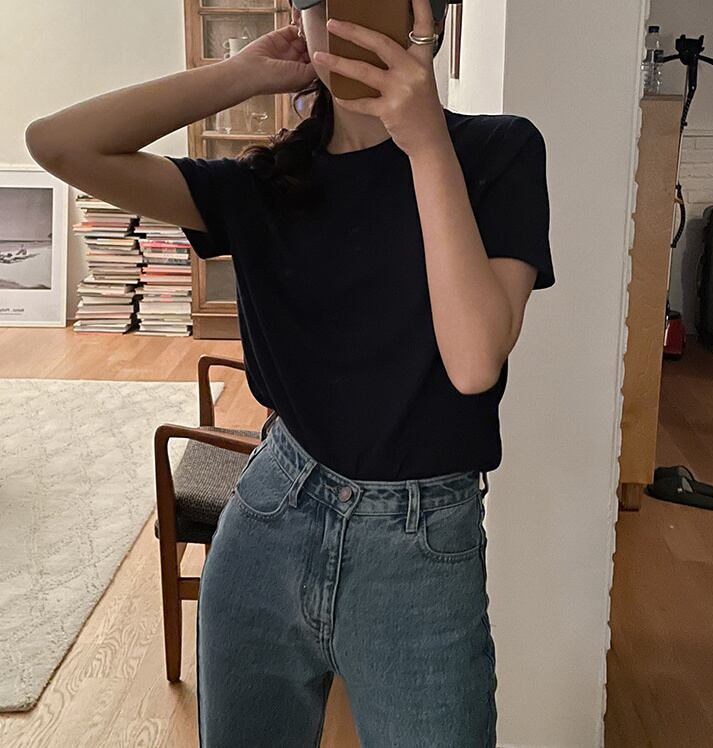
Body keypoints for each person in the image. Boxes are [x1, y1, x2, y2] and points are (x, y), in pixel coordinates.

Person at [25, 0, 555, 744]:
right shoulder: (264, 182)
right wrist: (240, 75)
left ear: (431, 17)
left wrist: (426, 143)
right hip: (272, 513)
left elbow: (473, 363)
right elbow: (56, 144)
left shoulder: (498, 150)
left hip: (421, 546)